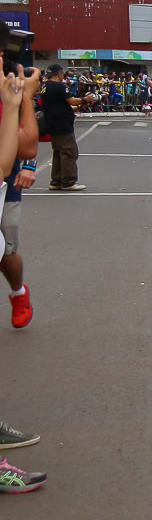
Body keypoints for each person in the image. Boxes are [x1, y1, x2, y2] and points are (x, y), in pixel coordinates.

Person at [2, 63, 40, 330]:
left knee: (6, 248)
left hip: (6, 182)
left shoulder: (8, 89)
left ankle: (18, 293)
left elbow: (26, 145)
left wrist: (29, 166)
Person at [39, 64, 85, 191]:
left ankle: (56, 181)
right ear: (59, 73)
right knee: (69, 152)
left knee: (58, 153)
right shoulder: (59, 86)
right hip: (62, 124)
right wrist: (85, 99)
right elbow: (72, 100)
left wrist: (80, 106)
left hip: (52, 123)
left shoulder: (45, 87)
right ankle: (68, 182)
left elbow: (60, 104)